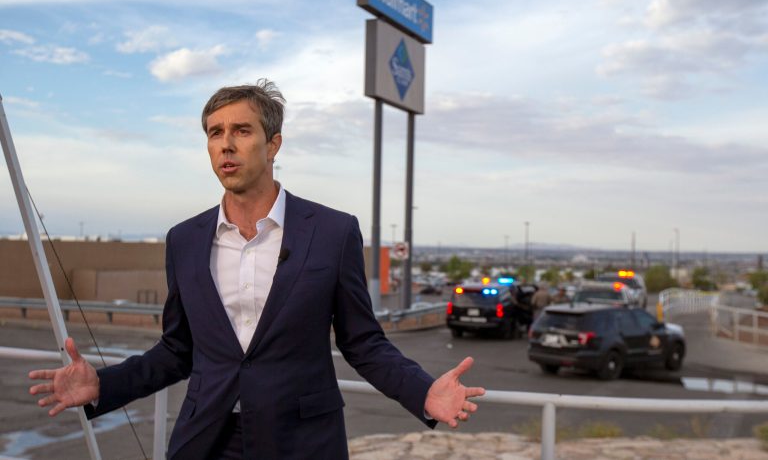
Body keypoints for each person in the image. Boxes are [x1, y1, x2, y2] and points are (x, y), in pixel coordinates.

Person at [28, 80, 485, 459]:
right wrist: (102, 386)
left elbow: (362, 342)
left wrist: (423, 392)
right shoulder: (184, 239)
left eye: (241, 130)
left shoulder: (332, 231)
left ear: (273, 144)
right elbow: (176, 350)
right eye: (214, 132)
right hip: (206, 440)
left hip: (302, 442)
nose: (226, 144)